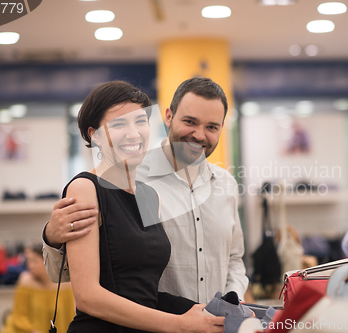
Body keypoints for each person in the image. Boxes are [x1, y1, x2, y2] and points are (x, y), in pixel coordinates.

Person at [42, 77, 249, 304]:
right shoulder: (129, 181)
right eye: (190, 122)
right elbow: (65, 275)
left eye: (211, 127)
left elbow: (234, 259)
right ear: (168, 117)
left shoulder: (226, 185)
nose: (199, 135)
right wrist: (53, 237)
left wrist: (232, 300)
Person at [1, 242, 75, 333]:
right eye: (28, 260)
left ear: (46, 262)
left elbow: (69, 317)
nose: (29, 265)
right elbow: (19, 317)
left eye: (34, 261)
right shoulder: (25, 281)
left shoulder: (65, 285)